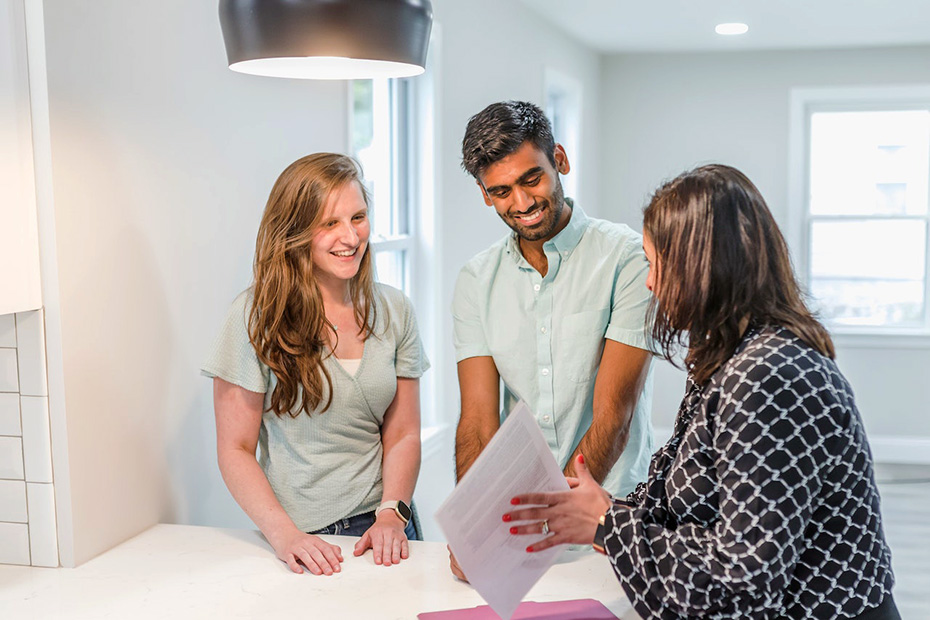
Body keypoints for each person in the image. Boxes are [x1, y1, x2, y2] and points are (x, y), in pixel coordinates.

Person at [504, 164, 899, 619]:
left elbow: (744, 579)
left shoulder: (766, 376)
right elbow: (692, 500)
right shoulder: (725, 355)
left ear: (702, 267)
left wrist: (606, 522)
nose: (649, 284)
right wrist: (595, 509)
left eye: (655, 265)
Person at [449, 101, 655, 579]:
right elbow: (478, 422)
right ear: (484, 195)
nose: (520, 204)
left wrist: (557, 519)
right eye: (500, 191)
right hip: (517, 522)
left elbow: (614, 414)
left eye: (531, 179)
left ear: (559, 159)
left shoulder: (626, 258)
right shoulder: (476, 280)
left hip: (611, 519)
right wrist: (475, 524)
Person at [202, 153, 429, 576]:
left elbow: (403, 433)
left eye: (358, 217)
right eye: (330, 223)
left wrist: (391, 515)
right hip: (302, 540)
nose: (351, 236)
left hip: (387, 530)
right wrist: (285, 536)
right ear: (295, 231)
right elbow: (234, 450)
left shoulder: (395, 310)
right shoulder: (254, 317)